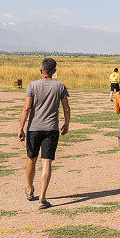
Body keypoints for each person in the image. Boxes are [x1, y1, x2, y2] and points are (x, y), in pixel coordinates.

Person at [18, 57, 70, 209]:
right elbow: (66, 108)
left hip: (34, 128)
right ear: (54, 72)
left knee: (31, 158)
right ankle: (42, 198)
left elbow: (26, 108)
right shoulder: (60, 86)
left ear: (41, 70)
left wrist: (21, 128)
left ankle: (29, 189)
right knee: (46, 161)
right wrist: (66, 124)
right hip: (51, 129)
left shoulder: (32, 85)